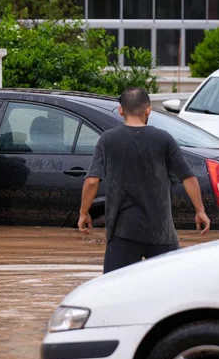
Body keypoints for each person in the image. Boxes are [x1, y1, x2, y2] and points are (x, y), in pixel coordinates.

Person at [78, 87, 211, 273]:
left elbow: (92, 181)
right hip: (161, 232)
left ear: (121, 110)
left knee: (115, 286)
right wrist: (200, 210)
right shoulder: (163, 138)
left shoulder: (108, 140)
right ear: (148, 110)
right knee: (170, 285)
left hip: (122, 232)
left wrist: (84, 212)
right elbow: (188, 177)